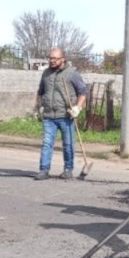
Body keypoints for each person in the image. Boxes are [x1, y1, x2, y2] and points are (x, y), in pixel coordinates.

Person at [34, 48, 87, 180]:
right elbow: (40, 91)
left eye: (55, 58)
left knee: (68, 144)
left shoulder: (72, 73)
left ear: (63, 59)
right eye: (50, 58)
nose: (52, 61)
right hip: (49, 116)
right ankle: (44, 170)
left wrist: (77, 108)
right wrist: (36, 107)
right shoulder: (46, 73)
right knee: (47, 143)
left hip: (66, 116)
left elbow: (83, 92)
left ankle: (68, 169)